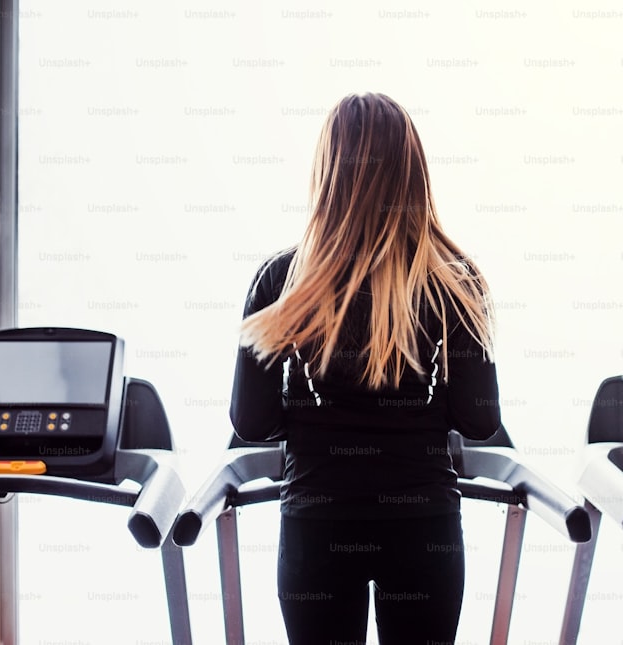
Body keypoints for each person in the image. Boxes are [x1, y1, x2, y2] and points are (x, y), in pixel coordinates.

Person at [230, 92, 501, 645]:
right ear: (411, 173)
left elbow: (251, 424)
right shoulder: (455, 281)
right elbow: (479, 421)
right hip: (422, 528)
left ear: (328, 174)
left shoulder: (283, 281)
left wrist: (308, 412)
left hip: (318, 526)